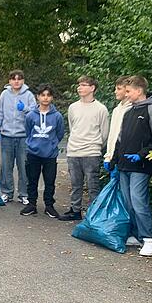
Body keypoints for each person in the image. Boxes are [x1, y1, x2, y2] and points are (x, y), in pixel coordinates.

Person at [113, 76, 152, 257]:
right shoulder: (129, 112)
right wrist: (114, 160)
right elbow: (121, 139)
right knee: (128, 202)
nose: (126, 94)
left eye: (128, 91)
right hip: (124, 165)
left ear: (139, 90)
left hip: (141, 165)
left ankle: (149, 239)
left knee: (138, 201)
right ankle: (136, 234)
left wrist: (141, 155)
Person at [58, 76, 110, 221]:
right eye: (78, 85)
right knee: (76, 184)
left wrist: (97, 146)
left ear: (92, 88)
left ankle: (95, 213)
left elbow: (104, 133)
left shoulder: (101, 109)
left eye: (83, 85)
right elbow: (73, 127)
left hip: (91, 152)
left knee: (92, 184)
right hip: (74, 151)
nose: (79, 88)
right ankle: (75, 210)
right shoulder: (73, 107)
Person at [21, 84, 65, 218]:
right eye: (43, 95)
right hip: (33, 153)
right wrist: (33, 144)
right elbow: (28, 132)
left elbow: (60, 133)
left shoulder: (57, 116)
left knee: (49, 180)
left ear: (51, 98)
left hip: (50, 154)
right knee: (32, 180)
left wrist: (52, 145)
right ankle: (32, 204)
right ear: (38, 97)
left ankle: (49, 206)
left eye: (48, 95)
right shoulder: (30, 115)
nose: (45, 98)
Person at [0, 70, 36, 204]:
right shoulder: (5, 94)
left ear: (23, 81)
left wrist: (25, 109)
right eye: (13, 79)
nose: (16, 81)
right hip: (7, 135)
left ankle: (24, 194)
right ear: (10, 81)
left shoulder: (28, 95)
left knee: (23, 166)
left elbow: (35, 113)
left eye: (19, 79)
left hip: (23, 136)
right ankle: (6, 192)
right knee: (6, 166)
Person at [103, 76, 132, 178]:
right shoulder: (116, 110)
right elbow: (112, 135)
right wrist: (108, 156)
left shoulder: (131, 109)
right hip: (113, 158)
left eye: (119, 89)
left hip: (124, 158)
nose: (115, 92)